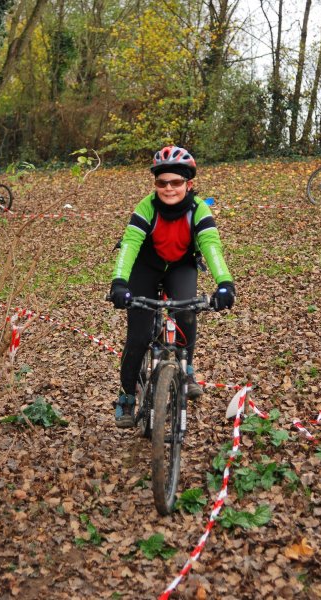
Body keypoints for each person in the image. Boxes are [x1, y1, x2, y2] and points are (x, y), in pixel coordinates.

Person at [109, 145, 235, 428]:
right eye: (162, 182)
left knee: (187, 309)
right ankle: (128, 395)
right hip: (146, 266)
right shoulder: (146, 207)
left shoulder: (199, 210)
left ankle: (186, 368)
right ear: (155, 184)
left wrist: (225, 283)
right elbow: (129, 245)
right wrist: (119, 282)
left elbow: (211, 246)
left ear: (189, 184)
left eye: (176, 182)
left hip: (181, 265)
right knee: (139, 337)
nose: (169, 188)